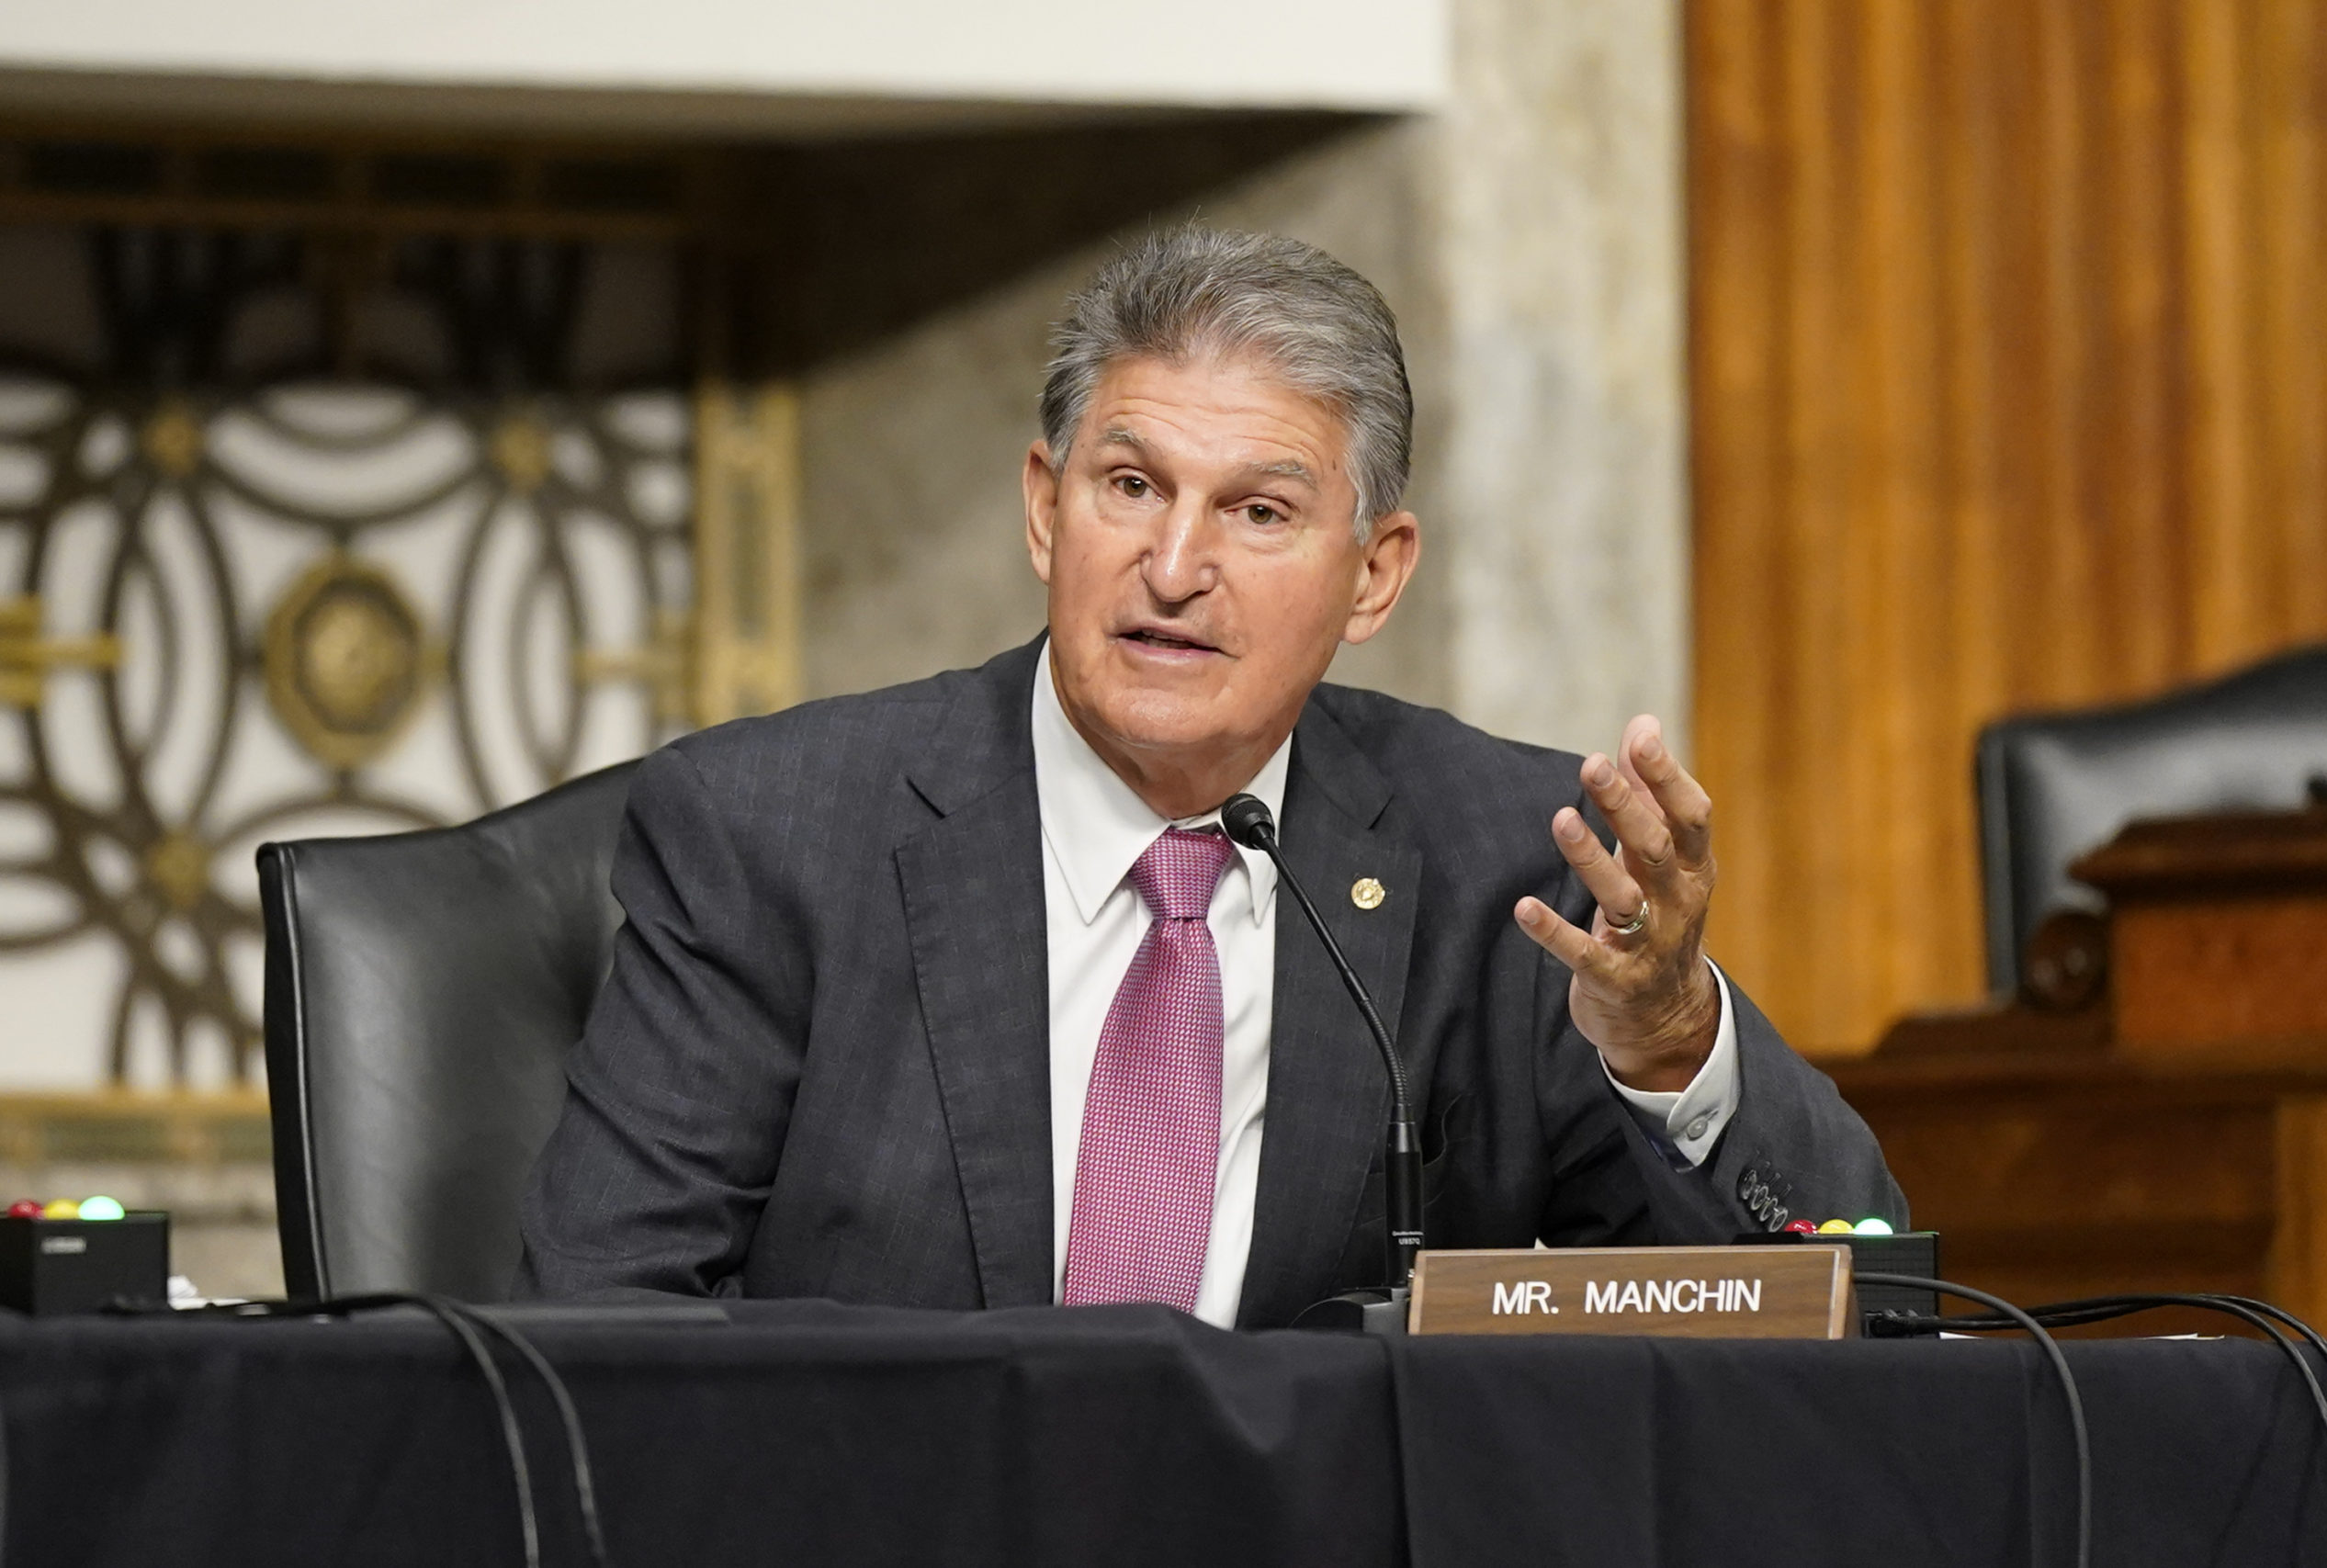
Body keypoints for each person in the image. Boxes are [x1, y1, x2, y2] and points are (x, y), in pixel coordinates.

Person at [518, 227, 1903, 1328]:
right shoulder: (775, 831)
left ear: (1375, 576)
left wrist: (1670, 1044)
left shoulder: (1509, 860)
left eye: (1258, 511)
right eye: (1129, 487)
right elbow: (594, 1326)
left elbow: (1848, 1299)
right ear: (1043, 508)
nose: (1174, 569)